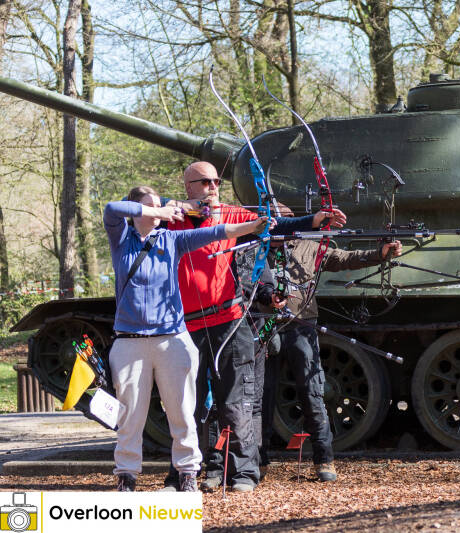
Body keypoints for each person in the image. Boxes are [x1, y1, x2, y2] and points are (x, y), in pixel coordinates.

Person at [161, 161, 347, 492]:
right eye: (204, 182)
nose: (212, 187)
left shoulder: (233, 215)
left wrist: (314, 221)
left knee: (238, 401)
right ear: (188, 185)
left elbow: (273, 227)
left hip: (229, 321)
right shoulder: (173, 220)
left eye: (216, 181)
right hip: (187, 325)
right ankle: (183, 473)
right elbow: (137, 219)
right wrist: (176, 208)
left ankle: (244, 473)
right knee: (188, 402)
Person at [104, 186, 271, 492]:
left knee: (182, 409)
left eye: (159, 204)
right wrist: (160, 210)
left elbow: (219, 232)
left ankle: (187, 473)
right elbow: (111, 209)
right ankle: (127, 474)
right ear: (138, 209)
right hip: (129, 340)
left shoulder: (172, 239)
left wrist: (252, 226)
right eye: (149, 206)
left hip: (171, 339)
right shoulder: (121, 239)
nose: (158, 210)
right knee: (130, 412)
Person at [250, 204, 402, 482]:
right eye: (274, 219)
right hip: (265, 325)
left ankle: (324, 459)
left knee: (312, 391)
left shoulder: (310, 245)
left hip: (300, 324)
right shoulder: (255, 246)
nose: (279, 223)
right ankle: (258, 461)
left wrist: (379, 255)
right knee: (262, 394)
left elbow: (344, 258)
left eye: (285, 219)